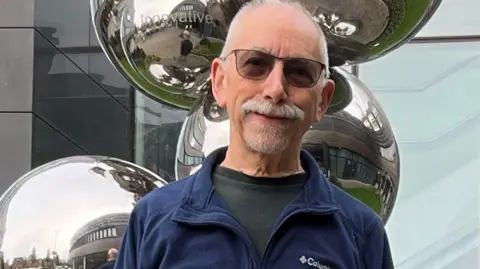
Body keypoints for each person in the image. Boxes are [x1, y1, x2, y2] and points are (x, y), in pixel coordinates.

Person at [115, 0, 394, 268]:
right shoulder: (154, 219)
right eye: (255, 64)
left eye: (299, 72)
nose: (275, 89)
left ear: (323, 100)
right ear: (220, 82)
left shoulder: (360, 233)